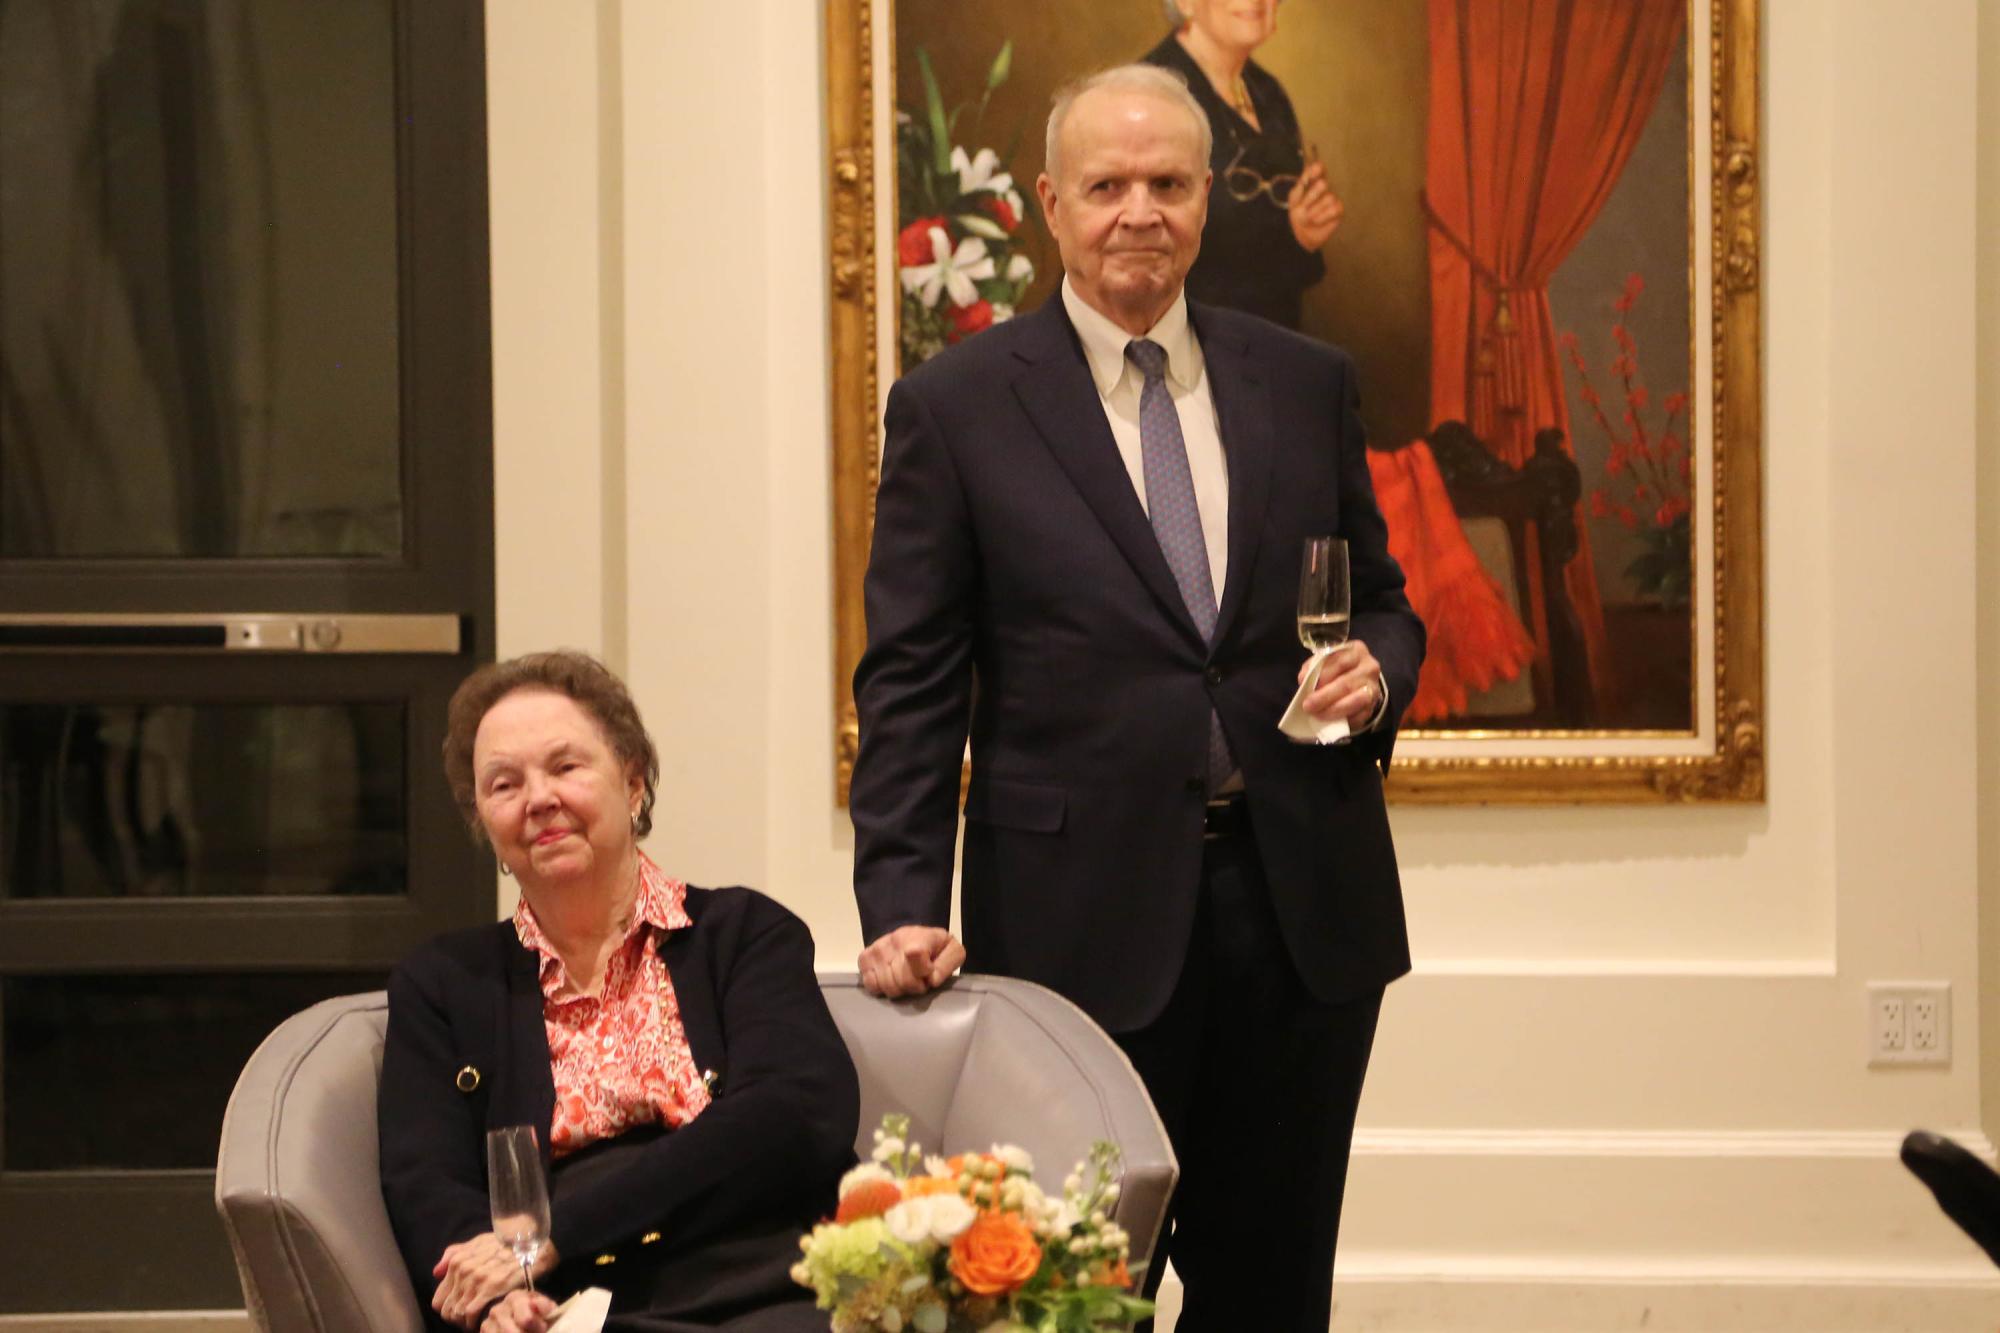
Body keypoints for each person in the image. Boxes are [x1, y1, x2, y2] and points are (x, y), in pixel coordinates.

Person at [848, 64, 1425, 1332]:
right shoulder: (956, 409)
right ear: (1052, 205)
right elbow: (910, 676)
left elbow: (1383, 599)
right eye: (1106, 186)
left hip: (1299, 917)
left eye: (1165, 183)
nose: (1137, 212)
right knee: (1068, 1296)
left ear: (1205, 203)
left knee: (1272, 1293)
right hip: (1074, 924)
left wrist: (1380, 666)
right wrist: (898, 901)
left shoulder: (1302, 381)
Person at [379, 652, 858, 1333]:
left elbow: (794, 1115)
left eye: (566, 766)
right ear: (484, 820)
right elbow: (423, 1176)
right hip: (571, 1303)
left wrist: (550, 1235)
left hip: (770, 1275)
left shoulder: (745, 934)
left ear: (633, 782)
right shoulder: (444, 983)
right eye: (503, 783)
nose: (537, 797)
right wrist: (495, 1295)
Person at [1141, 0, 1341, 329]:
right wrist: (1292, 238)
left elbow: (1293, 264)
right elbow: (1153, 268)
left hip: (1269, 342)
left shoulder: (1268, 93)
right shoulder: (1152, 98)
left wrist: (1307, 228)